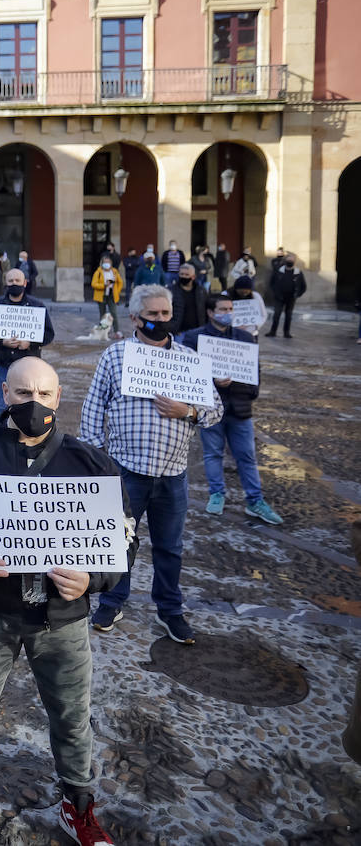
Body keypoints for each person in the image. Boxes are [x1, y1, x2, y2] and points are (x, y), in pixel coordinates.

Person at [0, 357, 131, 846]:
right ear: (4, 394)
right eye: (22, 393)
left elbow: (124, 537)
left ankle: (78, 805)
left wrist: (94, 578)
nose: (34, 403)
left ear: (59, 398)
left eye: (45, 394)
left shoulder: (89, 464)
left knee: (72, 714)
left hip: (62, 618)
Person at [80, 284, 223, 645]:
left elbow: (216, 410)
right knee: (118, 542)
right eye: (153, 314)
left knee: (170, 547)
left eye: (165, 313)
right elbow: (93, 410)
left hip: (172, 475)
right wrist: (100, 461)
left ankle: (170, 610)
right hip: (126, 470)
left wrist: (187, 411)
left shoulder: (188, 360)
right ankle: (113, 601)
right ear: (135, 318)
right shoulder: (115, 356)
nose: (160, 320)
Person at [180, 293, 284, 526]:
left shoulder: (245, 337)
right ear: (210, 312)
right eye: (223, 309)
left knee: (247, 456)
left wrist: (250, 391)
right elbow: (187, 374)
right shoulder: (194, 338)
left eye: (230, 309)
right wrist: (212, 382)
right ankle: (217, 494)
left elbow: (254, 370)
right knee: (212, 453)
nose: (228, 313)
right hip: (209, 407)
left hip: (240, 407)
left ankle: (255, 501)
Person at [0, 268, 55, 417]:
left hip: (30, 364)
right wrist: (2, 342)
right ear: (6, 283)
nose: (14, 283)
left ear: (25, 283)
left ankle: (28, 435)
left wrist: (31, 344)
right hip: (4, 363)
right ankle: (2, 436)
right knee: (4, 403)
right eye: (11, 281)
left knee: (30, 403)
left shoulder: (37, 306)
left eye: (17, 281)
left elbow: (49, 334)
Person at [265, 253, 306, 338]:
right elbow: (272, 283)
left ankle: (286, 332)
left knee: (289, 315)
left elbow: (303, 286)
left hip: (291, 298)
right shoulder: (278, 271)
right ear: (285, 260)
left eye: (291, 260)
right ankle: (273, 331)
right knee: (276, 314)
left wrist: (297, 294)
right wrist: (275, 292)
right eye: (288, 260)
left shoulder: (298, 273)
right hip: (279, 297)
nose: (290, 261)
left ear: (294, 261)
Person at [170, 263, 209, 335]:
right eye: (181, 274)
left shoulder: (201, 291)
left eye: (186, 275)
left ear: (193, 277)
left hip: (199, 331)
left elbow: (206, 309)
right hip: (179, 332)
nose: (184, 276)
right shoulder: (171, 291)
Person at [91, 256, 124, 332]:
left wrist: (117, 291)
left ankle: (116, 331)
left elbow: (120, 282)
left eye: (108, 262)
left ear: (111, 263)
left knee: (114, 313)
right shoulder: (98, 272)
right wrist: (104, 286)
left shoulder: (114, 271)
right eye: (105, 262)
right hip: (101, 296)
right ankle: (103, 330)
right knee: (102, 314)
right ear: (102, 263)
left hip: (111, 295)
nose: (106, 264)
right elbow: (94, 284)